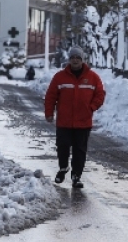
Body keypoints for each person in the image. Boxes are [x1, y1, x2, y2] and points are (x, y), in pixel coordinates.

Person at [44, 46, 106, 188]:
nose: (75, 60)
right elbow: (51, 96)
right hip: (64, 121)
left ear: (82, 59)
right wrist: (49, 112)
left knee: (80, 150)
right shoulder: (60, 77)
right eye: (73, 58)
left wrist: (91, 107)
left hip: (83, 122)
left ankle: (76, 176)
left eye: (78, 58)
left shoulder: (93, 77)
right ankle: (63, 168)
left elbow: (100, 94)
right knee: (63, 147)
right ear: (69, 60)